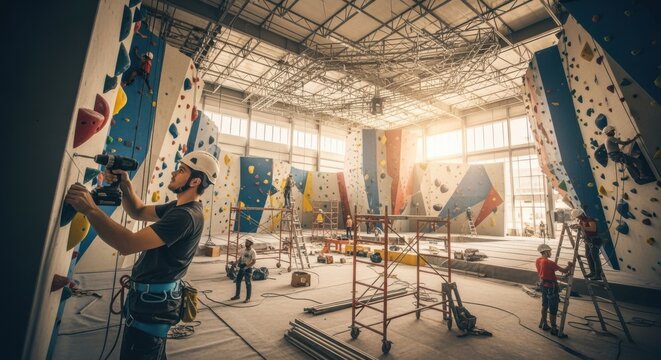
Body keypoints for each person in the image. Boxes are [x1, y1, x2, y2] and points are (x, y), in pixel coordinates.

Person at [65, 150, 219, 359]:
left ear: (194, 181)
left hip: (154, 303)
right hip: (151, 300)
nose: (173, 173)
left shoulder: (185, 216)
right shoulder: (177, 207)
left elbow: (128, 244)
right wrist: (125, 184)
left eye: (181, 170)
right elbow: (138, 211)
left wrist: (90, 209)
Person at [536, 243, 572, 337]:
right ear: (546, 251)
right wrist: (569, 266)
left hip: (543, 285)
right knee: (553, 308)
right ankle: (554, 329)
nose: (551, 252)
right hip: (551, 287)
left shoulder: (538, 260)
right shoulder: (549, 262)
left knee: (545, 305)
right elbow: (564, 271)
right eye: (550, 251)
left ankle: (544, 324)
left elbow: (546, 273)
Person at [571, 209, 603, 280]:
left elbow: (593, 229)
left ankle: (598, 275)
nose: (578, 218)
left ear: (581, 214)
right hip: (588, 240)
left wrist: (581, 227)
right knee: (588, 256)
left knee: (595, 257)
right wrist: (576, 227)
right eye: (577, 217)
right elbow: (583, 230)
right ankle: (593, 272)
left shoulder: (590, 219)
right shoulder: (581, 221)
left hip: (594, 240)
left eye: (578, 216)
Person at [231, 237, 257, 303]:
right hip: (242, 267)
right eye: (246, 242)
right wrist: (236, 263)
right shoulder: (243, 250)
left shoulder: (253, 252)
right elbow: (240, 258)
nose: (246, 243)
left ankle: (248, 298)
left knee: (248, 283)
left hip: (248, 268)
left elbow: (254, 262)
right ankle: (237, 295)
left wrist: (247, 267)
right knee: (238, 281)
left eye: (247, 242)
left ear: (251, 243)